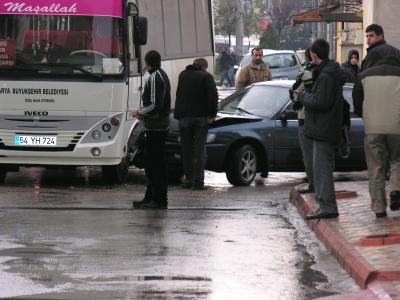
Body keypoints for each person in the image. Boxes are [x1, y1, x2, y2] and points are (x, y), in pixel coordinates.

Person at [297, 39, 348, 220]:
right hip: (323, 129)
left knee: (322, 170)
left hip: (323, 129)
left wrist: (303, 96)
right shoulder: (326, 73)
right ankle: (325, 205)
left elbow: (321, 102)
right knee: (320, 170)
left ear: (314, 55)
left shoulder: (326, 76)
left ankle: (327, 207)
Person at [353, 55, 400, 218]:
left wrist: (367, 118)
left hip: (373, 128)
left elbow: (357, 103)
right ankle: (395, 189)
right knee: (397, 160)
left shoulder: (363, 76)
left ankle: (379, 208)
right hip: (397, 127)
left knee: (375, 167)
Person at [131, 50, 171, 209]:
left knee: (155, 165)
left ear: (147, 63)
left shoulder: (155, 77)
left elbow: (155, 105)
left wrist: (138, 111)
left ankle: (159, 200)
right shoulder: (161, 75)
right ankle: (150, 197)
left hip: (157, 127)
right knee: (151, 163)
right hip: (156, 125)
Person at [174, 58, 218, 190]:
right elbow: (213, 96)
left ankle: (188, 180)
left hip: (184, 118)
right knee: (199, 150)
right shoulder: (206, 76)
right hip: (200, 118)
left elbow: (179, 94)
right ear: (204, 67)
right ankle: (198, 182)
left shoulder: (183, 75)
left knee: (186, 149)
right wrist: (212, 114)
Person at [289, 47, 315, 194]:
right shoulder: (329, 71)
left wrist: (296, 101)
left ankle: (312, 183)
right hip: (325, 119)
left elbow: (294, 93)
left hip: (306, 118)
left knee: (309, 154)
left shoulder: (305, 73)